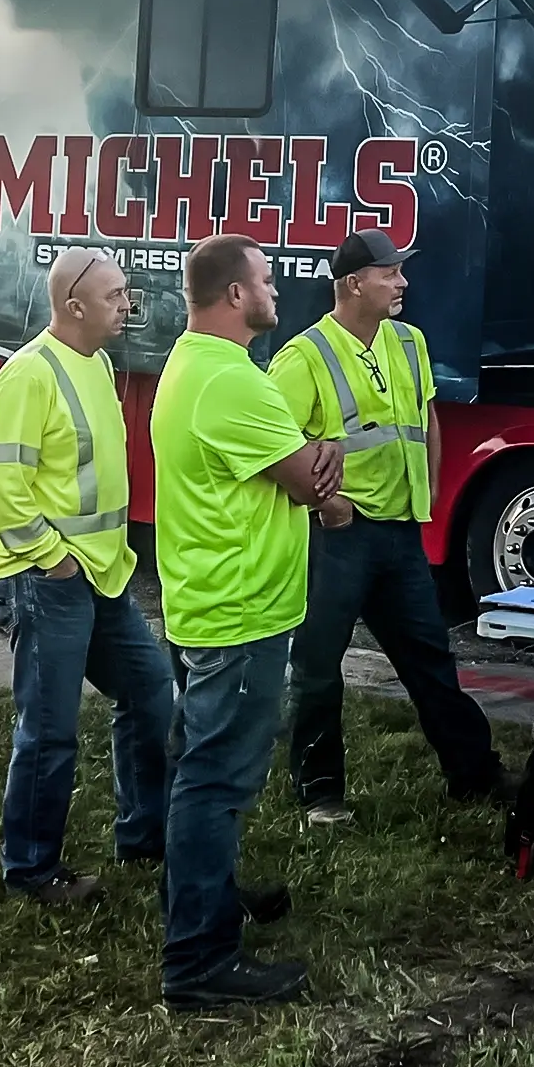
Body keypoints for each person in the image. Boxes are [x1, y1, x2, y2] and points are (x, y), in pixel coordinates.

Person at [152, 233, 343, 1009]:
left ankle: (206, 896)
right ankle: (198, 962)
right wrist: (318, 452)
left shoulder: (190, 364)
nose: (276, 289)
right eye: (265, 279)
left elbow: (295, 470)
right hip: (239, 611)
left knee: (196, 765)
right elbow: (309, 483)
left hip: (203, 600)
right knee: (215, 781)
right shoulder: (234, 382)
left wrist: (306, 457)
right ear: (235, 294)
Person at [270, 229, 507, 827]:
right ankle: (319, 796)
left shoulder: (409, 341)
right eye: (391, 273)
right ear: (354, 283)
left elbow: (423, 419)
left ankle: (474, 773)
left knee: (430, 658)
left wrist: (423, 499)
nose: (402, 283)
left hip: (399, 532)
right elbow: (276, 445)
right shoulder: (303, 357)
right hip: (340, 536)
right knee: (319, 666)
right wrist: (328, 507)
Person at [0, 250, 173, 906]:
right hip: (49, 581)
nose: (128, 306)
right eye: (117, 296)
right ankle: (31, 872)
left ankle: (144, 836)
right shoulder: (28, 374)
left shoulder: (100, 365)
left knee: (150, 692)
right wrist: (51, 559)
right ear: (74, 306)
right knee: (50, 729)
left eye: (128, 295)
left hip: (103, 578)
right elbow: (1, 486)